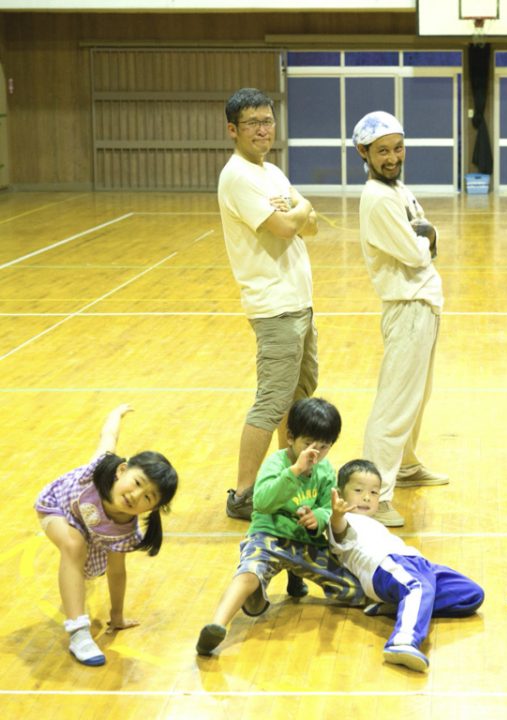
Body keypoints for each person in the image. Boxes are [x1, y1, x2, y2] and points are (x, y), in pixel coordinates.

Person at [218, 87, 320, 524]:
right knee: (272, 401)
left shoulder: (272, 172)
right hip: (273, 306)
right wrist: (301, 207)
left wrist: (297, 213)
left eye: (268, 121)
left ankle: (288, 478)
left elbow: (309, 228)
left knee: (298, 398)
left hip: (299, 301)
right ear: (233, 130)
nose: (263, 130)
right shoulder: (238, 176)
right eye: (253, 123)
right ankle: (243, 494)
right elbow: (286, 226)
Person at [195, 397, 365, 656]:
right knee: (249, 573)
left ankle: (295, 577)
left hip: (306, 542)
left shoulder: (325, 470)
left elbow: (327, 507)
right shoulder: (277, 463)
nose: (315, 453)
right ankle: (216, 626)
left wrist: (318, 518)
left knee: (354, 590)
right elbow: (261, 502)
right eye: (308, 444)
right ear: (290, 437)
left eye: (324, 446)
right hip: (269, 536)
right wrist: (294, 472)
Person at [352, 110, 448, 528]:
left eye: (397, 148)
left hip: (423, 303)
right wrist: (425, 237)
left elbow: (428, 237)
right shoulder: (377, 198)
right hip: (407, 306)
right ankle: (371, 495)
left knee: (417, 397)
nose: (392, 158)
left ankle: (405, 467)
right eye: (382, 151)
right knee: (394, 405)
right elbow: (417, 250)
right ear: (364, 153)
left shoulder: (397, 189)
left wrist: (425, 237)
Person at [34, 404, 179, 666]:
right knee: (73, 545)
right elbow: (109, 435)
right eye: (137, 483)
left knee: (83, 562)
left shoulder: (124, 533)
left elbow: (116, 572)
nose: (136, 495)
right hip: (55, 506)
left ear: (153, 508)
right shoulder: (100, 467)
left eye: (147, 496)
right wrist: (117, 413)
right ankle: (79, 634)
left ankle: (76, 602)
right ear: (122, 471)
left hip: (90, 531)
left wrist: (117, 614)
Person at [326, 459, 485, 672]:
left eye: (374, 492)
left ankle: (398, 605)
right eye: (358, 490)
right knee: (417, 587)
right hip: (385, 565)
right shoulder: (345, 520)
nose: (366, 497)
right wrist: (337, 514)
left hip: (415, 562)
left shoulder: (373, 523)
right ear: (340, 493)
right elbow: (338, 529)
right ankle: (402, 641)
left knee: (471, 594)